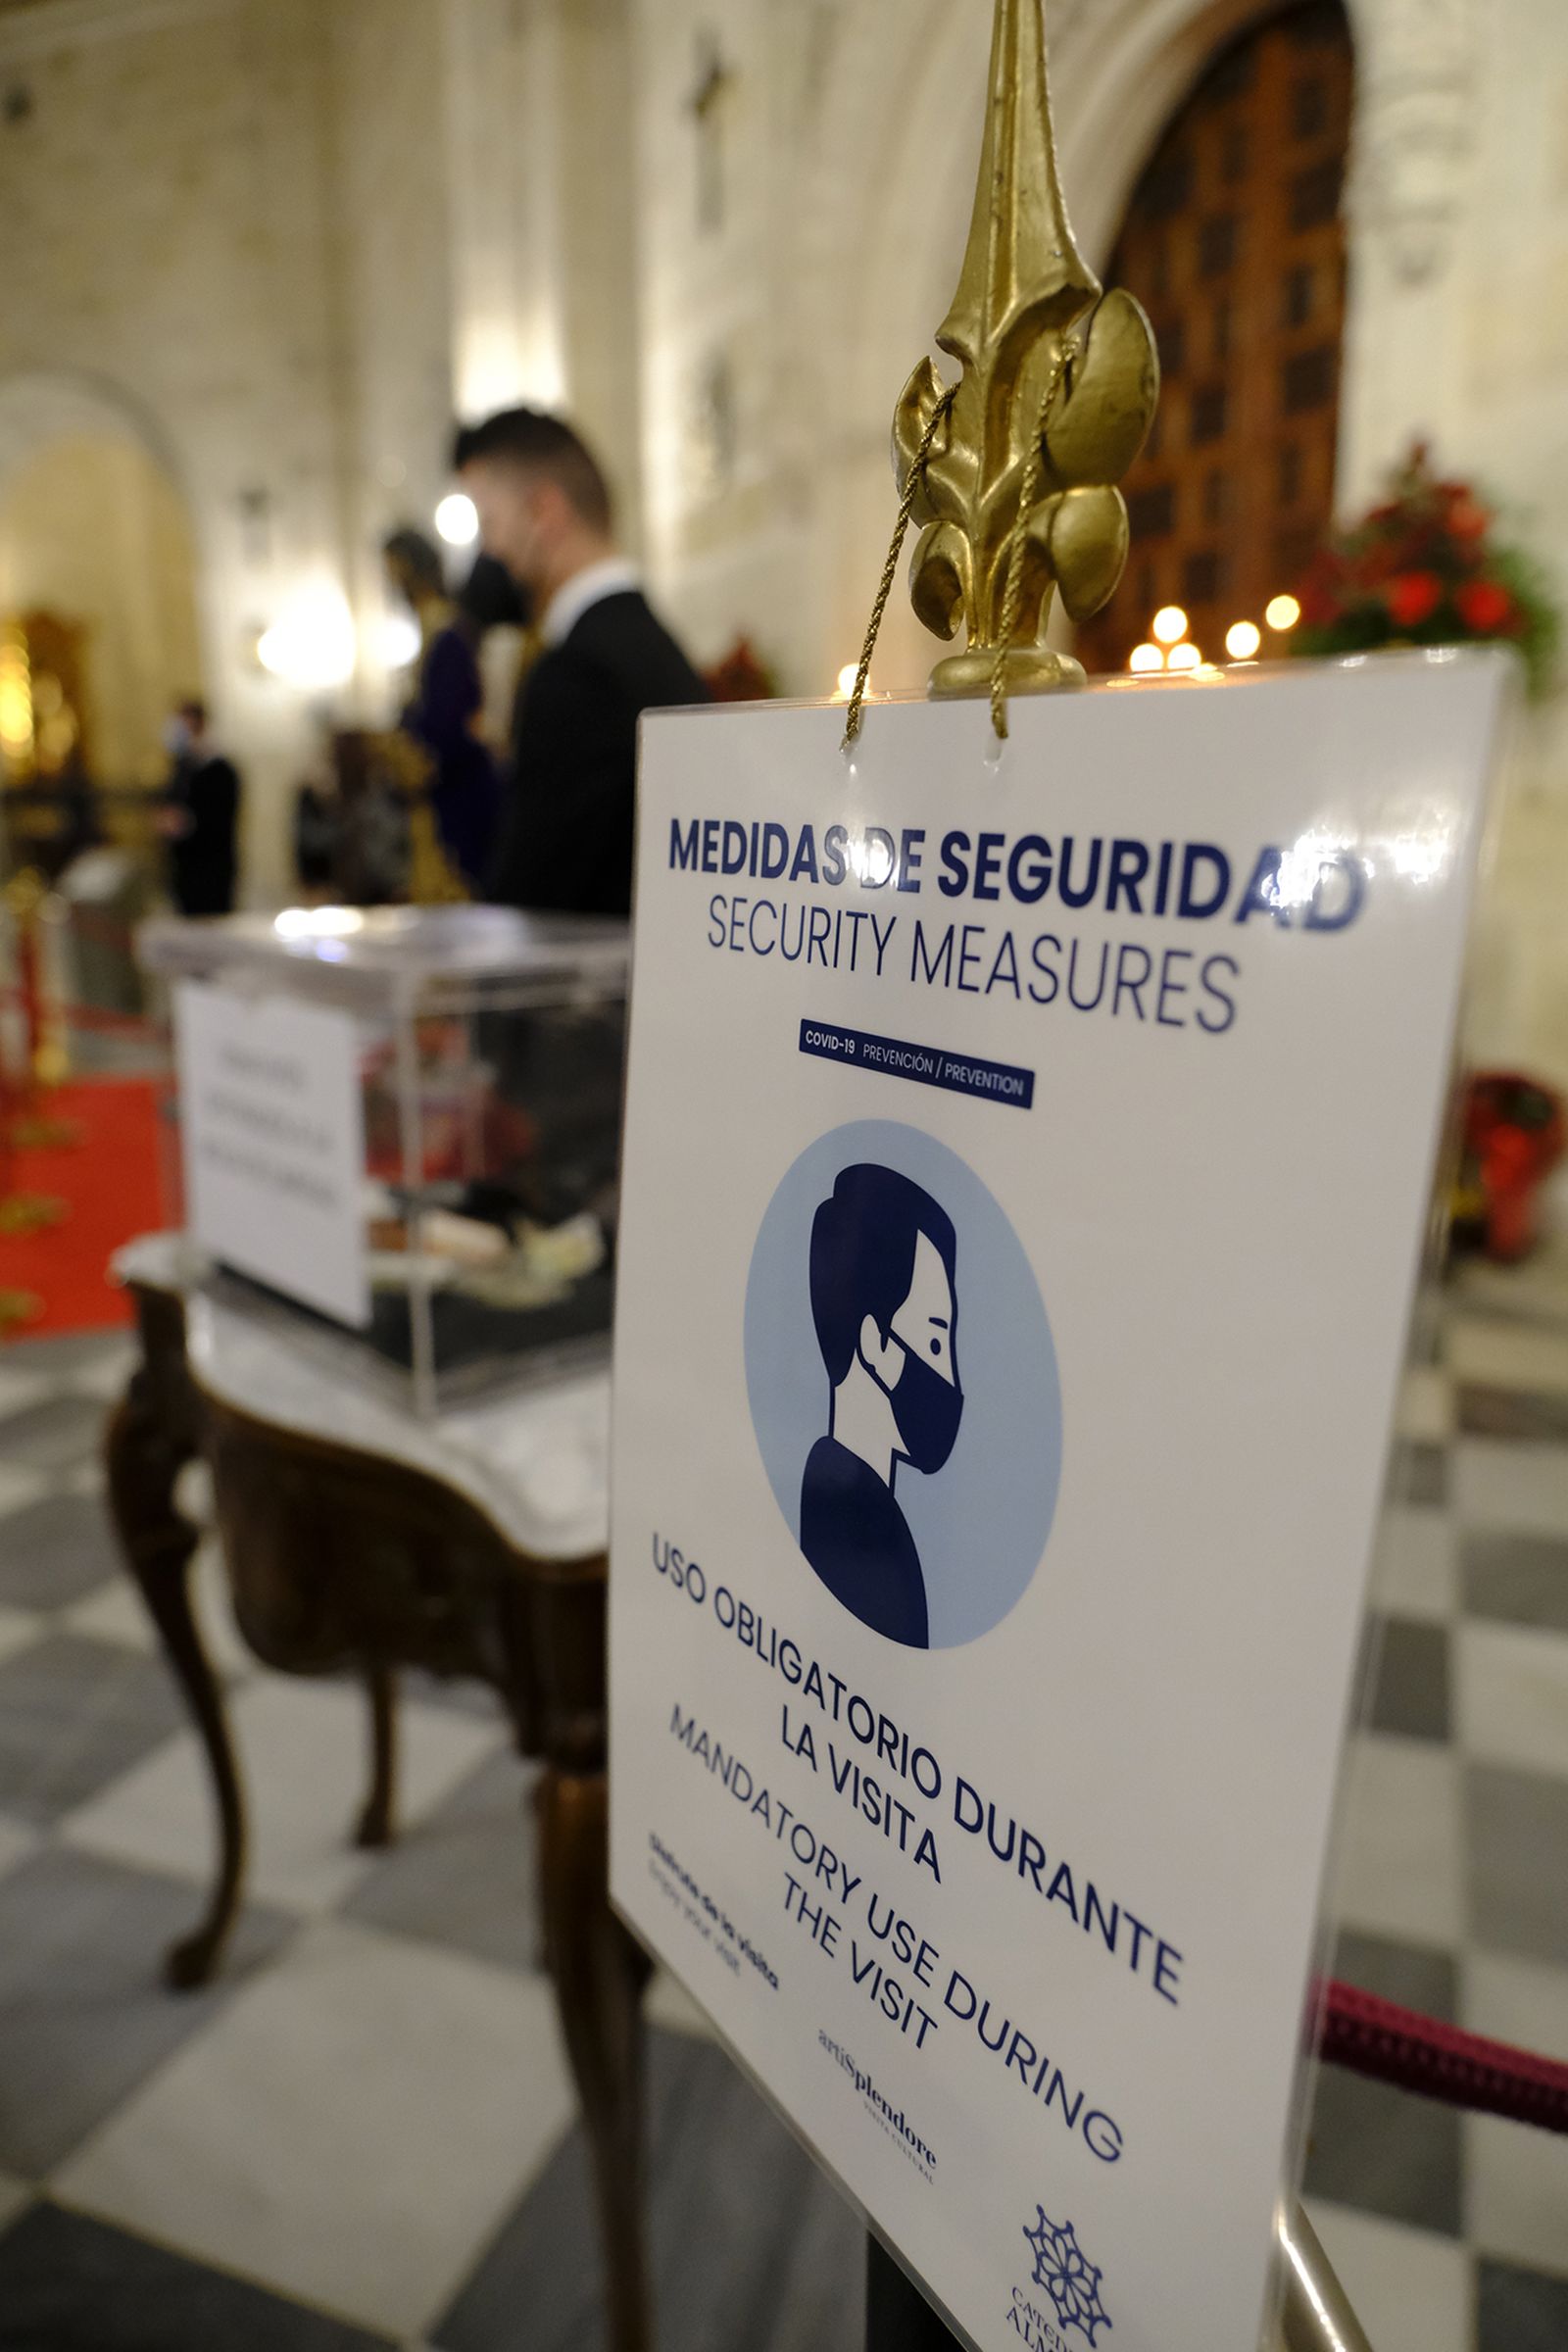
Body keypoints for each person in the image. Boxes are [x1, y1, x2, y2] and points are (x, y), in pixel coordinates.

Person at [453, 407, 708, 915]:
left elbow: (527, 905)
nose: (488, 550)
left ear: (545, 512)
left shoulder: (577, 676)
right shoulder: (654, 646)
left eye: (490, 523)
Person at [799, 1164, 964, 1648]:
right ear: (875, 1343)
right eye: (936, 1344)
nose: (950, 1381)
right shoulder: (862, 1534)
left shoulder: (847, 1502)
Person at [383, 529, 509, 893]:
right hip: (439, 802)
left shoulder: (447, 635)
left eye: (394, 570)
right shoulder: (433, 633)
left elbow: (445, 727)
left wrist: (402, 750)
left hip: (458, 803)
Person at [159, 699, 240, 916]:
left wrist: (185, 821)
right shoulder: (181, 768)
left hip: (212, 867)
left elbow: (221, 818)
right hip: (184, 867)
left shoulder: (221, 770)